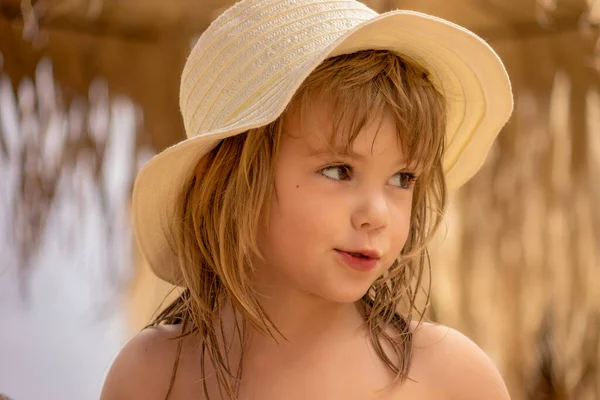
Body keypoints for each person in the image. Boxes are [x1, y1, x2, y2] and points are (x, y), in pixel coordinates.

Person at [100, 0, 513, 399]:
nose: (377, 214)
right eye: (338, 171)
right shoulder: (151, 378)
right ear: (223, 180)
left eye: (402, 178)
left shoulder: (453, 379)